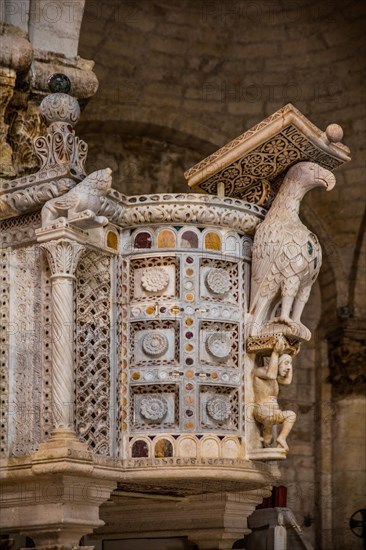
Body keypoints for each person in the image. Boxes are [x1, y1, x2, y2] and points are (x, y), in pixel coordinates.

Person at [253, 337, 296, 451]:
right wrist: (275, 353)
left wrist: (289, 361)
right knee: (270, 416)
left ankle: (281, 438)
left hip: (273, 411)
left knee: (291, 415)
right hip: (260, 409)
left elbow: (287, 381)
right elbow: (271, 374)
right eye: (286, 364)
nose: (288, 368)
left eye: (289, 365)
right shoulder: (259, 372)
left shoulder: (275, 378)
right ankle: (267, 431)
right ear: (277, 362)